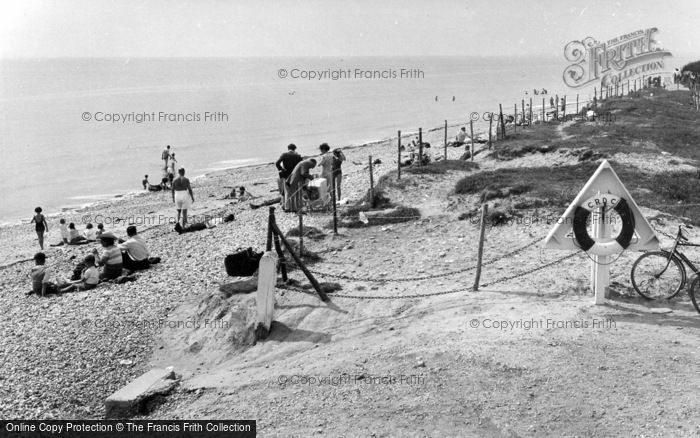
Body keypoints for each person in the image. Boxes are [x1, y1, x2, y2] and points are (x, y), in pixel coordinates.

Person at [275, 143, 303, 210]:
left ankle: (287, 207)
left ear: (288, 148)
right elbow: (301, 166)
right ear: (295, 149)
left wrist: (281, 169)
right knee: (294, 191)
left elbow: (277, 163)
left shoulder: (284, 155)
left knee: (287, 191)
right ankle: (295, 207)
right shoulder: (298, 156)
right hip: (295, 174)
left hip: (287, 174)